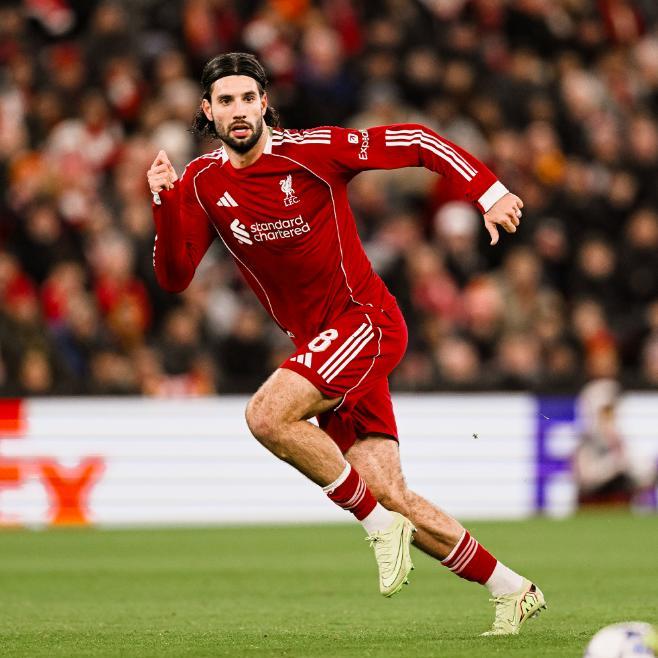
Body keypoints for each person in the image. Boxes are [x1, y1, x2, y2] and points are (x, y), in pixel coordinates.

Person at [147, 52, 546, 636]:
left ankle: (376, 527)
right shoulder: (203, 182)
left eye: (248, 98)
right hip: (324, 348)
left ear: (265, 104)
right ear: (207, 111)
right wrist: (163, 202)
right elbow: (175, 276)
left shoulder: (312, 151)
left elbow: (416, 140)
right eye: (225, 100)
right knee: (389, 492)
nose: (238, 110)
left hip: (365, 322)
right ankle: (510, 589)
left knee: (266, 416)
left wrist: (487, 191)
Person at [573, 378, 657, 508]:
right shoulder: (586, 444)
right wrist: (614, 464)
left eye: (612, 412)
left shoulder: (623, 441)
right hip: (594, 507)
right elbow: (586, 479)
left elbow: (644, 478)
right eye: (606, 412)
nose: (610, 419)